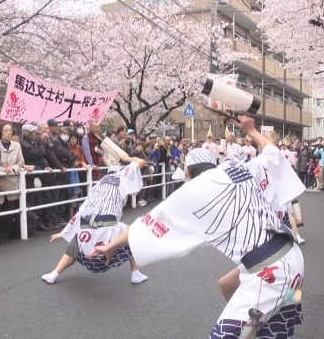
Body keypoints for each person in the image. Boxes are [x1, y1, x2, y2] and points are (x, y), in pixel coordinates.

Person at [90, 116, 306, 338]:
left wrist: (110, 246)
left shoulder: (193, 191)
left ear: (188, 173)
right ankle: (256, 323)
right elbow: (272, 152)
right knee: (227, 286)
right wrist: (251, 130)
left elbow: (144, 225)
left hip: (269, 273)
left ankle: (252, 322)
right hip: (293, 260)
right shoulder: (241, 169)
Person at [41, 155, 149, 285]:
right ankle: (135, 273)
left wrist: (64, 232)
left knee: (75, 244)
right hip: (107, 222)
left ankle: (53, 274)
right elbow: (142, 161)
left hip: (86, 221)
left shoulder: (98, 185)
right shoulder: (122, 176)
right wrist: (127, 158)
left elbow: (82, 210)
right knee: (131, 235)